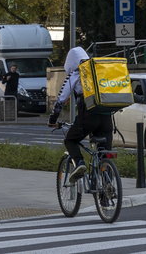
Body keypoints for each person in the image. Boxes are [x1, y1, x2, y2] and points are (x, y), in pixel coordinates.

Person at [48, 47, 113, 183]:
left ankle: (80, 163)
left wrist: (53, 119)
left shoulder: (75, 74)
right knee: (104, 154)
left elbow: (61, 99)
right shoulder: (99, 71)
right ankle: (107, 193)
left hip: (88, 116)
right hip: (107, 116)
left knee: (70, 140)